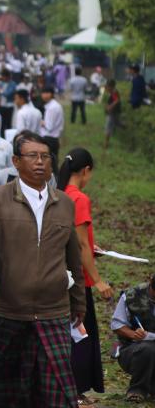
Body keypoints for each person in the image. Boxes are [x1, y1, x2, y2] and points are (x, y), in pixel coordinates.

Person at [0, 130, 85, 408]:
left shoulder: (64, 204)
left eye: (45, 156)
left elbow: (73, 258)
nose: (40, 162)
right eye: (32, 156)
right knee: (4, 389)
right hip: (7, 311)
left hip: (53, 311)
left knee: (55, 390)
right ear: (16, 161)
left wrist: (79, 302)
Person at [56, 148, 113, 402]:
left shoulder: (58, 194)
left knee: (69, 333)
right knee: (81, 334)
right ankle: (74, 392)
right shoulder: (79, 199)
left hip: (60, 275)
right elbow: (80, 244)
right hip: (77, 281)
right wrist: (98, 280)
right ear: (86, 170)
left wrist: (92, 248)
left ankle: (69, 389)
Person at [110, 274, 155, 402]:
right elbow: (117, 324)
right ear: (150, 283)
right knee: (148, 349)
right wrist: (133, 334)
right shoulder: (132, 295)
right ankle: (137, 389)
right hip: (133, 349)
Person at [40, 86, 65, 160]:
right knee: (53, 163)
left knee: (49, 164)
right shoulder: (55, 105)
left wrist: (40, 121)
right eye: (42, 93)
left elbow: (49, 127)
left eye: (45, 93)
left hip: (49, 139)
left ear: (50, 94)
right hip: (54, 139)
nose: (43, 95)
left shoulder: (52, 108)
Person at [104, 80, 122, 149]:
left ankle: (106, 144)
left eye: (108, 87)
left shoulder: (114, 92)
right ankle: (125, 128)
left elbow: (117, 100)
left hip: (113, 112)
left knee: (108, 127)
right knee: (118, 124)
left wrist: (110, 107)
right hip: (114, 112)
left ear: (111, 86)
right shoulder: (112, 91)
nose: (107, 88)